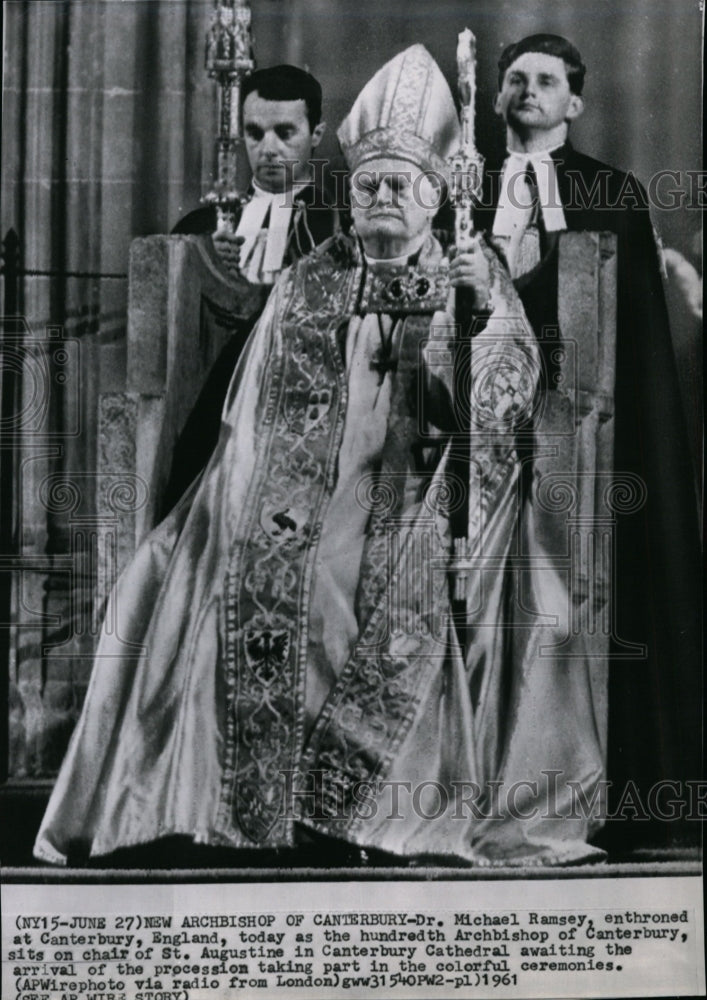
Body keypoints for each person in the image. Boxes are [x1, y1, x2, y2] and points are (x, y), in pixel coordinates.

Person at [34, 45, 605, 868]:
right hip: (293, 483)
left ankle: (365, 814)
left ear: (432, 194)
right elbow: (252, 414)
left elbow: (499, 405)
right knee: (166, 581)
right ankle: (232, 810)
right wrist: (244, 504)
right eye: (368, 183)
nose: (380, 197)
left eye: (398, 185)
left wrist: (470, 316)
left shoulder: (464, 272)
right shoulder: (313, 276)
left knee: (449, 591)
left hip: (420, 485)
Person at [475, 34, 701, 852]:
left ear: (573, 102)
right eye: (514, 80)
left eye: (544, 81)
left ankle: (607, 784)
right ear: (495, 97)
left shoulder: (609, 190)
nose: (526, 91)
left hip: (588, 434)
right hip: (480, 427)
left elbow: (627, 327)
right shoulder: (465, 190)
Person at [162, 64, 341, 514]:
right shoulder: (200, 227)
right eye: (255, 133)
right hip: (209, 412)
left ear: (316, 133)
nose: (268, 149)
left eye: (285, 132)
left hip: (304, 411)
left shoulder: (338, 227)